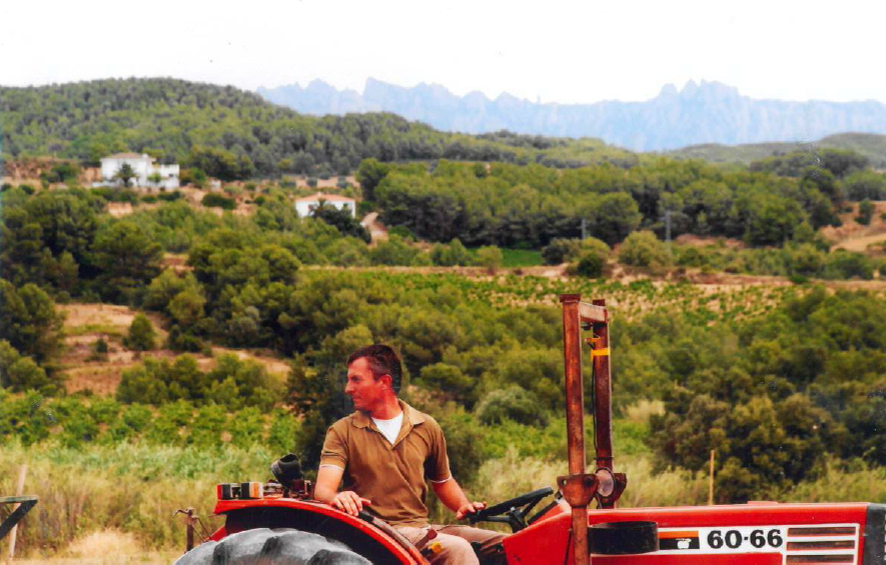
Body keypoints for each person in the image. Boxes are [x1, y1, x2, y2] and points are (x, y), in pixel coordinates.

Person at [314, 344, 507, 565]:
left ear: (384, 382)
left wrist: (462, 505)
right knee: (457, 548)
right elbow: (323, 490)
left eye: (356, 380)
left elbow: (443, 481)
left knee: (508, 544)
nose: (348, 388)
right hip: (378, 533)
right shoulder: (342, 431)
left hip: (420, 529)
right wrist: (337, 496)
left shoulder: (426, 426)